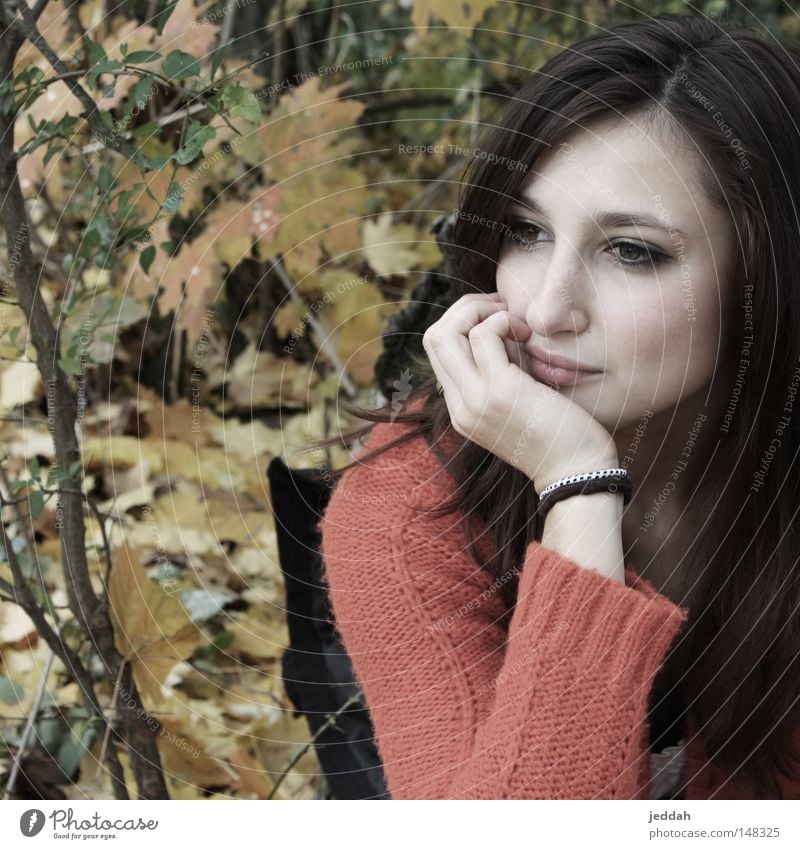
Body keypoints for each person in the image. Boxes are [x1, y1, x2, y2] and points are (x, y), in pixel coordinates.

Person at [308, 12, 800, 799]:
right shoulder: (411, 501)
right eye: (526, 231)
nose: (544, 306)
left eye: (633, 250)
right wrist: (575, 483)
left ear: (766, 276)